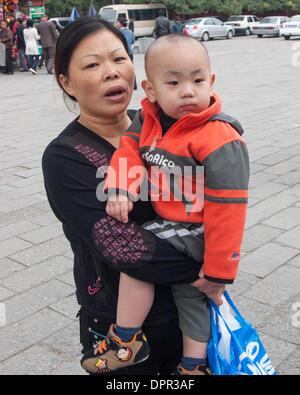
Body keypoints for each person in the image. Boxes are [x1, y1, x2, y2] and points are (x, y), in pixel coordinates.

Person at [42, 17, 209, 376]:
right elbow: (123, 248)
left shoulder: (165, 128)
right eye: (92, 64)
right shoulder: (64, 157)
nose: (111, 72)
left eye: (119, 59)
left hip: (190, 315)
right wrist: (214, 265)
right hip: (122, 331)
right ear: (66, 83)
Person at [81, 34, 249, 375]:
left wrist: (220, 271)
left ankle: (127, 341)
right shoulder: (149, 121)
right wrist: (119, 189)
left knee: (135, 262)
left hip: (201, 230)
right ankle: (193, 366)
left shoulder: (219, 137)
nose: (187, 91)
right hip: (177, 225)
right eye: (173, 82)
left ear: (211, 81)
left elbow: (228, 210)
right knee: (190, 297)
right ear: (151, 90)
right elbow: (129, 153)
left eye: (198, 80)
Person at [117, 17, 137, 90]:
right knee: (131, 67)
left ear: (120, 24)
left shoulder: (118, 32)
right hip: (130, 52)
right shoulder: (130, 32)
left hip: (122, 52)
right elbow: (132, 41)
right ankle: (134, 85)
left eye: (118, 22)